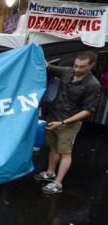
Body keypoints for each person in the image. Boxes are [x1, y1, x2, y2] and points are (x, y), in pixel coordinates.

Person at [34, 51, 101, 194]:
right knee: (52, 147)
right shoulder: (67, 72)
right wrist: (33, 51)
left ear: (91, 66)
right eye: (76, 65)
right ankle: (50, 172)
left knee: (64, 152)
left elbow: (88, 111)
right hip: (54, 116)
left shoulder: (93, 85)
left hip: (69, 123)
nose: (77, 69)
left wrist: (63, 122)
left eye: (82, 67)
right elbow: (46, 66)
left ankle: (58, 183)